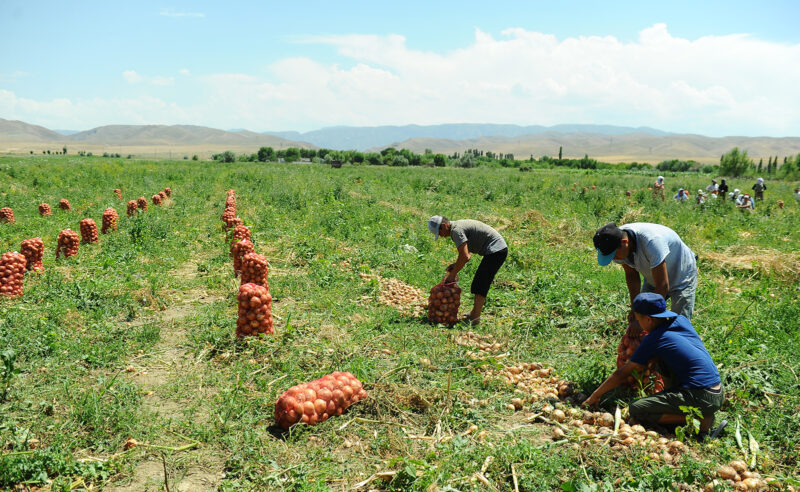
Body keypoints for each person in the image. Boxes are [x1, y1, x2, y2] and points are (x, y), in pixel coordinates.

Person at [582, 293, 725, 436]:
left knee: (637, 408)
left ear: (649, 319)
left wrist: (595, 395)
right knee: (661, 359)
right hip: (717, 391)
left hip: (701, 396)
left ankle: (701, 419)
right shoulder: (681, 321)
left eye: (639, 320)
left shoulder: (655, 339)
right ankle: (691, 410)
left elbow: (623, 373)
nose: (640, 325)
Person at [593, 222, 697, 320]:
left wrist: (641, 318)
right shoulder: (615, 241)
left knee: (679, 323)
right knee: (644, 315)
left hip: (682, 274)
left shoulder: (651, 242)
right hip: (655, 274)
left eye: (614, 255)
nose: (614, 259)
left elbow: (663, 286)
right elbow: (631, 276)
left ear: (625, 242)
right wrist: (635, 310)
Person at [427, 216, 508, 325]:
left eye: (439, 233)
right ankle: (474, 313)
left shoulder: (456, 231)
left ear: (443, 226)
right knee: (478, 283)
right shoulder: (456, 228)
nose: (441, 236)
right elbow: (467, 254)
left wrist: (453, 274)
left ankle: (475, 318)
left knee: (480, 283)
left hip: (496, 250)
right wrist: (456, 265)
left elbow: (465, 256)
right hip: (495, 249)